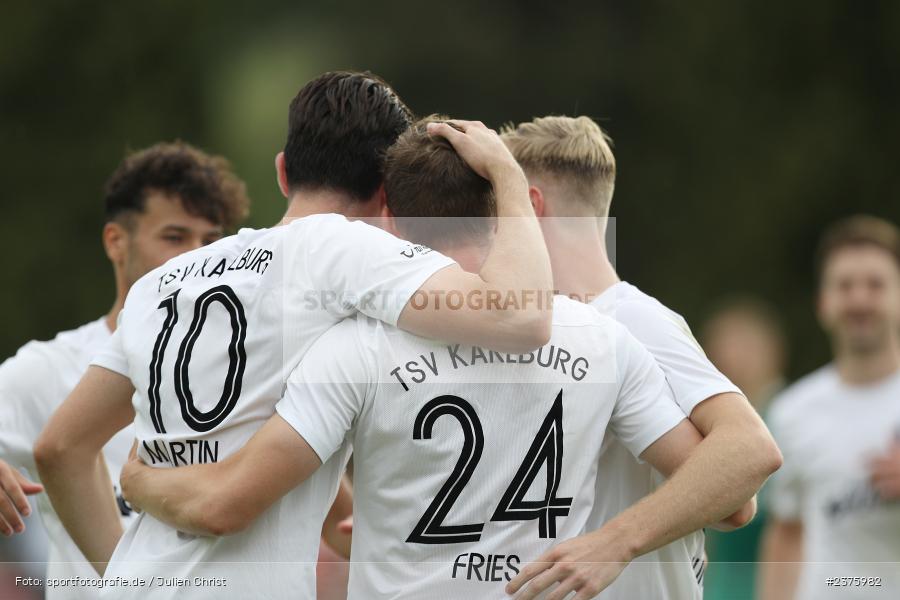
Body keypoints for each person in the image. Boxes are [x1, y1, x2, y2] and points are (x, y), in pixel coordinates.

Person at [119, 117, 758, 600]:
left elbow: (229, 501)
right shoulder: (601, 339)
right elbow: (734, 499)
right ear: (508, 211)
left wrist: (145, 482)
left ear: (391, 216)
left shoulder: (354, 345)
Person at [35, 72, 554, 599]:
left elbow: (60, 447)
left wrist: (115, 572)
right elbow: (523, 319)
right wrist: (507, 175)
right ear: (386, 189)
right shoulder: (338, 248)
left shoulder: (157, 284)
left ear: (283, 171)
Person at [499, 115, 782, 599]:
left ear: (530, 205)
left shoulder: (635, 320)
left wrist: (613, 544)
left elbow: (749, 457)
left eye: (495, 210)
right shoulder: (540, 331)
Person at [0, 141, 249, 598]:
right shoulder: (50, 369)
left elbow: (339, 520)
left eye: (210, 241)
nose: (198, 258)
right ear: (116, 242)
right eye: (175, 237)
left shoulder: (249, 371)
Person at [759, 216, 900, 600]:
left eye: (875, 284)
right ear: (823, 303)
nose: (859, 299)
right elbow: (787, 531)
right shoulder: (792, 412)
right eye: (845, 286)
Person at [701, 297, 788, 600]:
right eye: (723, 348)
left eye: (744, 347)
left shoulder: (792, 417)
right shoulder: (704, 428)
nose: (732, 358)